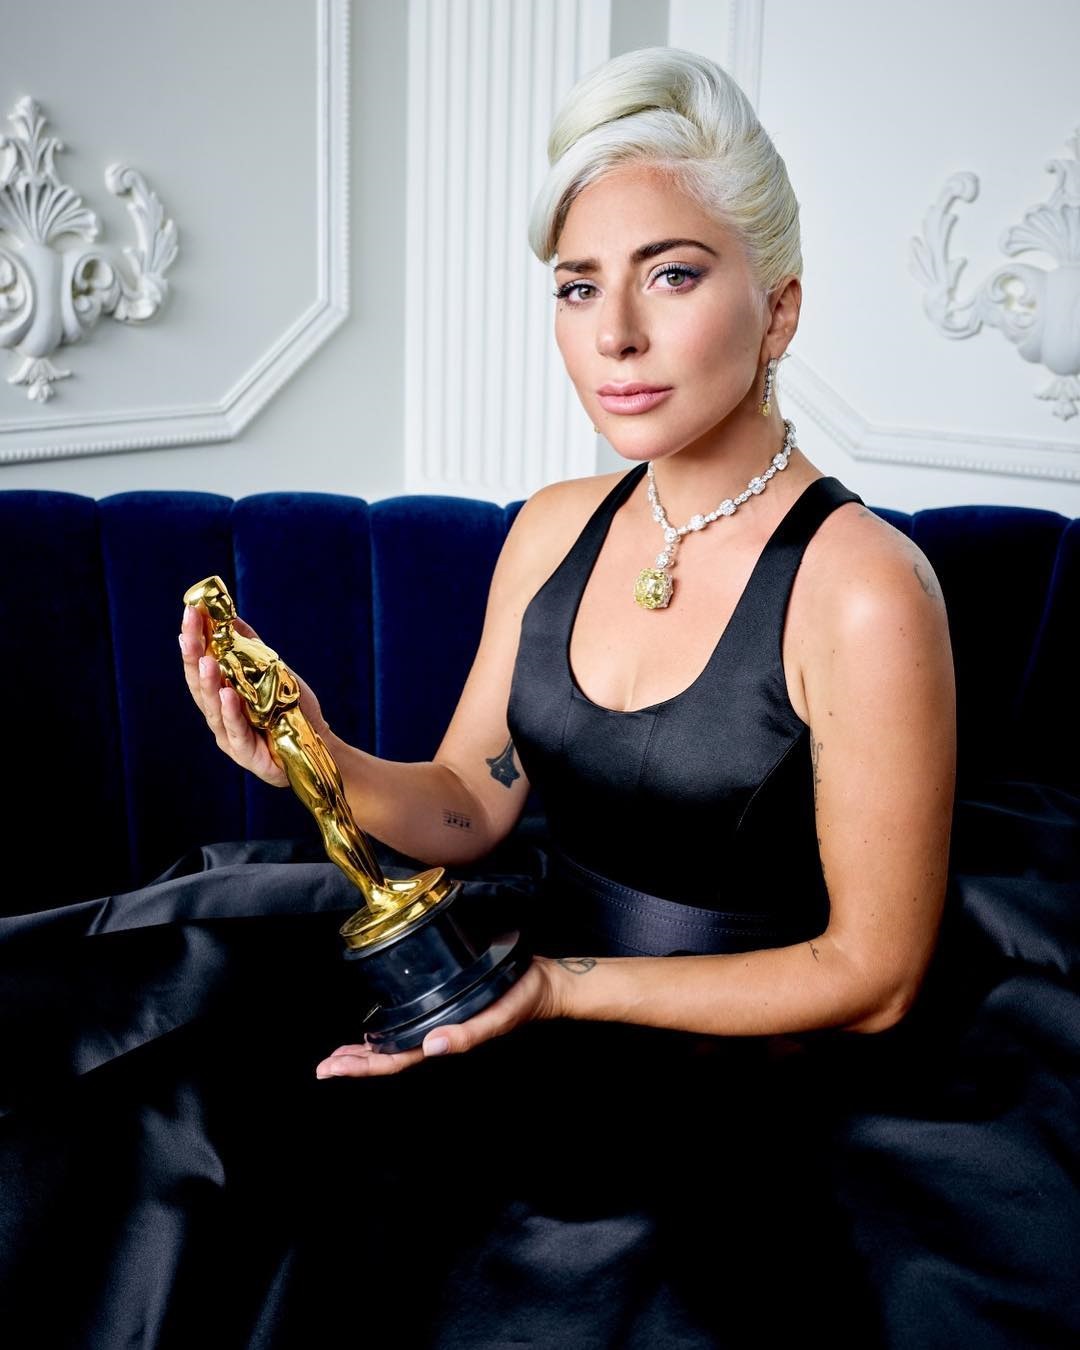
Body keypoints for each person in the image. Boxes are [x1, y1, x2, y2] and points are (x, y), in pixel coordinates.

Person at [177, 46, 956, 1345]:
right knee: (212, 1140)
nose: (615, 334)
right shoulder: (552, 528)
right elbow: (467, 806)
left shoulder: (865, 589)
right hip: (537, 1005)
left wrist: (557, 990)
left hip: (749, 1083)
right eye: (579, 285)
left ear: (779, 311)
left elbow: (874, 977)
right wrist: (316, 750)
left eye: (673, 273)